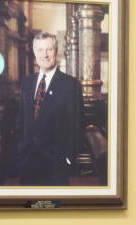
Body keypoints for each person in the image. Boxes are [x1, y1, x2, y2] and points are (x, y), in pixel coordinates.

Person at [14, 32, 82, 186]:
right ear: (34, 53)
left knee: (52, 208)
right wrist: (20, 150)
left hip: (56, 167)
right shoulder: (27, 83)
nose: (44, 55)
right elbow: (21, 121)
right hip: (27, 164)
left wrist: (68, 159)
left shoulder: (70, 85)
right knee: (29, 207)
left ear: (56, 51)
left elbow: (77, 127)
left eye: (49, 49)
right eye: (40, 50)